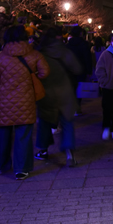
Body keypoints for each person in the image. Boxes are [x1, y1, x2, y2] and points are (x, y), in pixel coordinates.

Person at [0, 25, 49, 180]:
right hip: (26, 100)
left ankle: (1, 166)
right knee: (23, 134)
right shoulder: (34, 54)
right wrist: (32, 78)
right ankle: (21, 169)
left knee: (3, 134)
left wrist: (0, 88)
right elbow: (45, 72)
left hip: (4, 101)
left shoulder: (0, 56)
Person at [34, 27, 82, 167]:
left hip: (46, 93)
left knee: (44, 122)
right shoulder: (64, 51)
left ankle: (43, 150)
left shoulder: (40, 53)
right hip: (64, 92)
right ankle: (69, 153)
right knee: (67, 122)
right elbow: (77, 69)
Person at [66, 26, 93, 115]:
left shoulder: (68, 45)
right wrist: (89, 71)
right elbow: (87, 58)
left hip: (69, 70)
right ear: (80, 33)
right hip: (81, 70)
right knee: (79, 89)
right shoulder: (84, 44)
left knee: (71, 89)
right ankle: (77, 108)